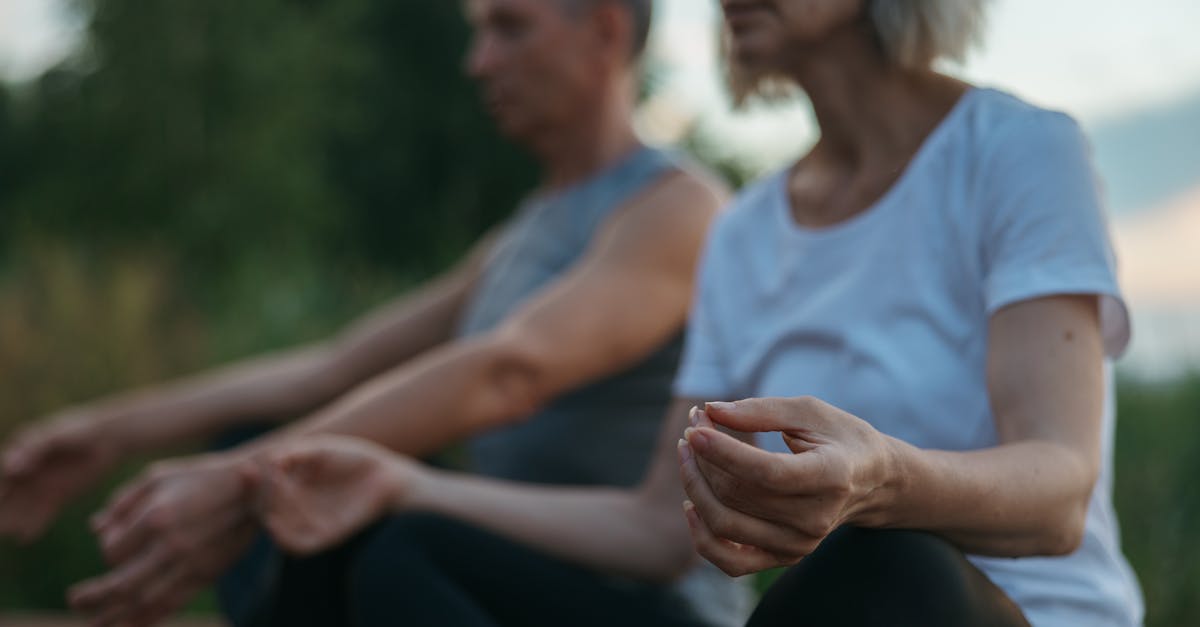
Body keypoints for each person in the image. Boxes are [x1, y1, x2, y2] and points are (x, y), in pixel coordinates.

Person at [243, 1, 1145, 626]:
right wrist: (404, 481)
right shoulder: (748, 228)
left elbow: (1061, 490)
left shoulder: (1019, 150)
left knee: (887, 561)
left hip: (996, 610)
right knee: (405, 550)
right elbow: (652, 524)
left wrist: (878, 481)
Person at [0, 0, 742, 625]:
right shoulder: (523, 235)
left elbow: (512, 369)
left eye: (509, 28)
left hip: (637, 598)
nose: (477, 62)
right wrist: (104, 432)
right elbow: (334, 366)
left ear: (606, 33)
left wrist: (235, 481)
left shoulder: (678, 210)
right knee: (269, 449)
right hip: (499, 578)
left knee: (384, 529)